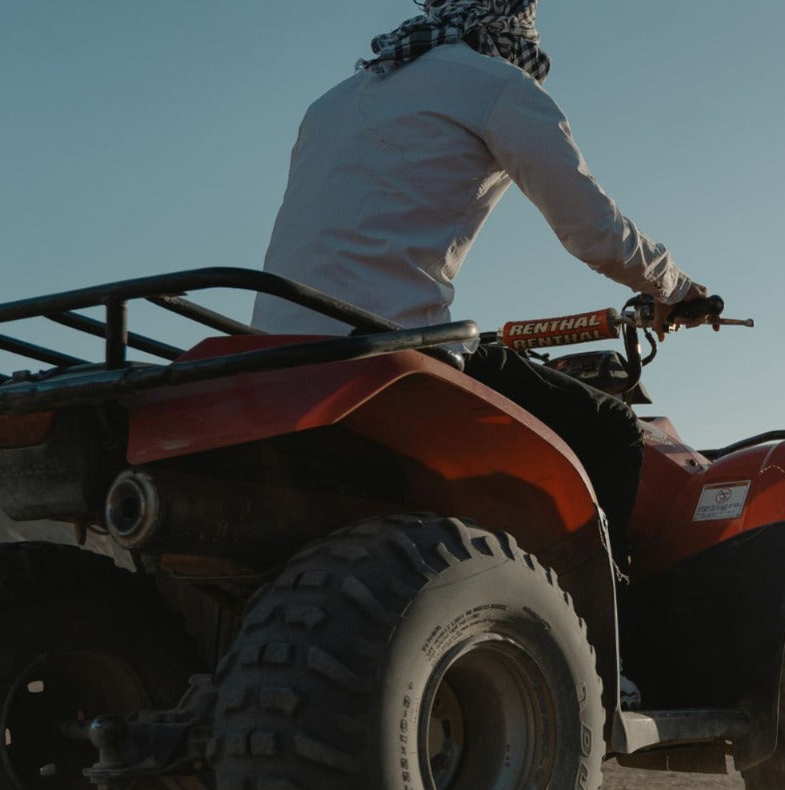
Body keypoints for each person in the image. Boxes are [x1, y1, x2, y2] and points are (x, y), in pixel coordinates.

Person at [251, 0, 709, 571]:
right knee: (611, 429)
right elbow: (593, 230)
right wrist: (676, 288)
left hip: (270, 352)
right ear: (513, 17)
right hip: (392, 350)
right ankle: (595, 644)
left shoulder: (333, 102)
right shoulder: (497, 87)